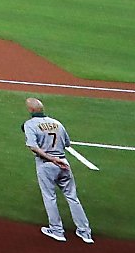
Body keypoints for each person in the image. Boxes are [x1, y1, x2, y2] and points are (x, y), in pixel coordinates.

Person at [23, 97, 91, 242]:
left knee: (49, 197)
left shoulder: (30, 124)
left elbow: (32, 146)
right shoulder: (57, 123)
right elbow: (67, 143)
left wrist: (51, 157)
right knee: (73, 197)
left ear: (31, 110)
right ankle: (85, 232)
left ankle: (57, 231)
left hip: (46, 165)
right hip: (64, 164)